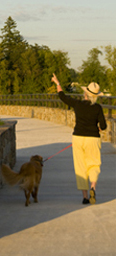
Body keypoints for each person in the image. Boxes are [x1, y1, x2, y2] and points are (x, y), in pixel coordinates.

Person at [51, 73, 107, 204]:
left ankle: (85, 197)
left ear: (86, 94)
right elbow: (103, 126)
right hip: (93, 139)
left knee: (80, 166)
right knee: (94, 164)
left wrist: (57, 83)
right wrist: (97, 129)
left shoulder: (77, 104)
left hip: (78, 138)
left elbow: (63, 97)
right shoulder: (98, 108)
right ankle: (93, 187)